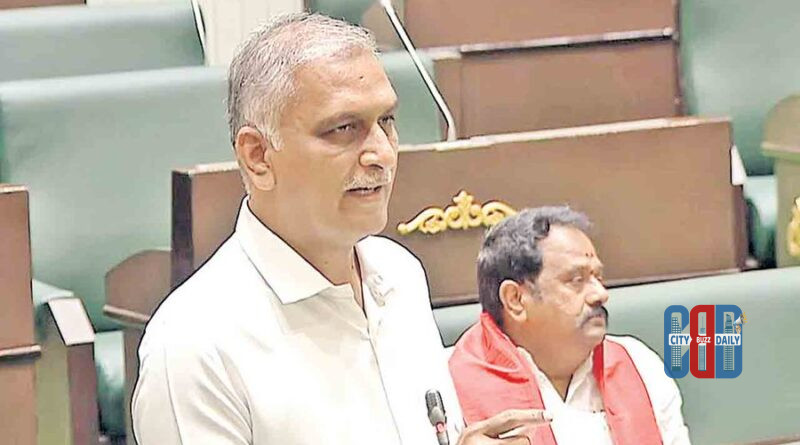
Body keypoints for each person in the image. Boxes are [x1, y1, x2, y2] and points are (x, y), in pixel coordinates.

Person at [132, 12, 548, 445]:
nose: (381, 154)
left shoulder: (399, 274)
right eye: (344, 129)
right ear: (258, 156)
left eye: (387, 122)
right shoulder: (193, 347)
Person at [448, 207, 691, 445]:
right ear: (515, 299)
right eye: (577, 280)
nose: (600, 294)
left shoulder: (640, 364)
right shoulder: (443, 386)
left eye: (598, 277)